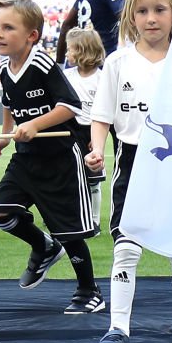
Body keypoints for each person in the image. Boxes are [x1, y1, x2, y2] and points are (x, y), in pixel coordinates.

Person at [85, 0, 172, 343]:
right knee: (126, 246)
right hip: (133, 164)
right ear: (130, 17)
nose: (151, 18)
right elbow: (101, 116)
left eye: (160, 10)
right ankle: (118, 331)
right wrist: (97, 149)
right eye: (142, 10)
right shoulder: (118, 62)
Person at [0, 0, 102, 315]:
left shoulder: (42, 64)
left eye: (8, 27)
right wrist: (5, 136)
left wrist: (36, 124)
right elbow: (10, 106)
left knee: (68, 230)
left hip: (60, 158)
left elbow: (71, 105)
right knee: (0, 211)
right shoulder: (5, 71)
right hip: (26, 158)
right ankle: (43, 246)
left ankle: (89, 290)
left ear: (31, 35)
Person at [63, 27, 107, 235]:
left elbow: (105, 112)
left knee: (93, 180)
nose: (66, 54)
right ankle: (75, 218)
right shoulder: (67, 75)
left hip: (92, 131)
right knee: (72, 178)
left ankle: (95, 221)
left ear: (82, 50)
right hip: (71, 131)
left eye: (69, 49)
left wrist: (96, 140)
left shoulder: (102, 78)